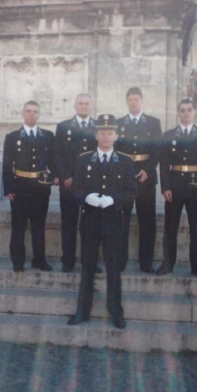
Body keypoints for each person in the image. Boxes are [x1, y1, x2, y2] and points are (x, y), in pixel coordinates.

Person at [67, 114, 135, 329]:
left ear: (116, 136)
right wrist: (85, 198)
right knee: (87, 268)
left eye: (110, 133)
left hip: (113, 221)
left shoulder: (125, 161)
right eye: (102, 132)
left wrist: (113, 199)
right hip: (89, 221)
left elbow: (131, 193)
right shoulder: (84, 159)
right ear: (96, 135)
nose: (106, 136)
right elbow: (75, 190)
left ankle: (116, 312)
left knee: (113, 269)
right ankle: (82, 311)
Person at [155, 99, 197, 278]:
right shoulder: (169, 135)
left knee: (196, 227)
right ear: (178, 113)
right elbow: (164, 162)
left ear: (194, 112)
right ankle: (168, 264)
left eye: (189, 110)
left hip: (195, 185)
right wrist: (165, 186)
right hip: (174, 185)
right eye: (182, 110)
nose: (186, 113)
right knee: (170, 227)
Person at [2, 100, 57, 273]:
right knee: (18, 227)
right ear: (22, 114)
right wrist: (9, 188)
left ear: (39, 114)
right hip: (20, 187)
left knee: (39, 226)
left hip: (40, 188)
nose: (32, 114)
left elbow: (54, 160)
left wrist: (54, 177)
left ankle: (39, 260)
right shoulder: (12, 137)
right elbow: (6, 165)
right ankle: (18, 261)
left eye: (35, 111)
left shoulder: (47, 136)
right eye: (28, 111)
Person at [115, 87, 162, 274]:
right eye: (130, 99)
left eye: (136, 99)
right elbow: (115, 151)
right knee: (121, 221)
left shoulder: (153, 122)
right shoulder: (118, 123)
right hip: (124, 179)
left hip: (146, 177)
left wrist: (148, 170)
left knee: (147, 222)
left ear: (141, 101)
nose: (133, 102)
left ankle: (146, 263)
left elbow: (157, 150)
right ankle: (120, 261)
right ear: (127, 102)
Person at [53, 93, 97, 273]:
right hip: (69, 184)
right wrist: (65, 177)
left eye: (87, 103)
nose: (84, 106)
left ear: (90, 106)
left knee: (91, 226)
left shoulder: (98, 127)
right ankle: (68, 261)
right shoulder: (64, 127)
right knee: (69, 224)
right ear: (75, 105)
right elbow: (57, 154)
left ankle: (90, 262)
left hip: (91, 186)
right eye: (81, 103)